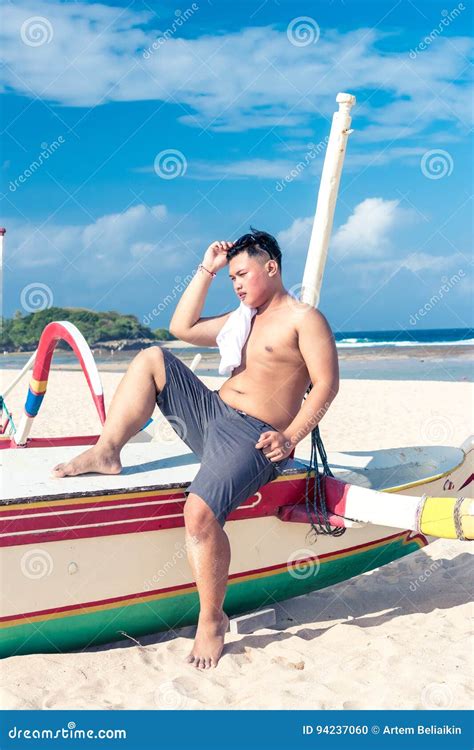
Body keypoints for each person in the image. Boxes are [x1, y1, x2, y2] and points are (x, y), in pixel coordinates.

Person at [52, 228, 339, 669]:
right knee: (152, 357)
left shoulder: (305, 319)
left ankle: (211, 619)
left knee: (199, 514)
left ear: (272, 268)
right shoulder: (242, 317)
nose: (238, 283)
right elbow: (180, 327)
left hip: (255, 436)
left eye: (243, 273)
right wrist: (208, 268)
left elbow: (326, 385)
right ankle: (107, 450)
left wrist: (291, 437)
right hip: (212, 415)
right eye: (232, 278)